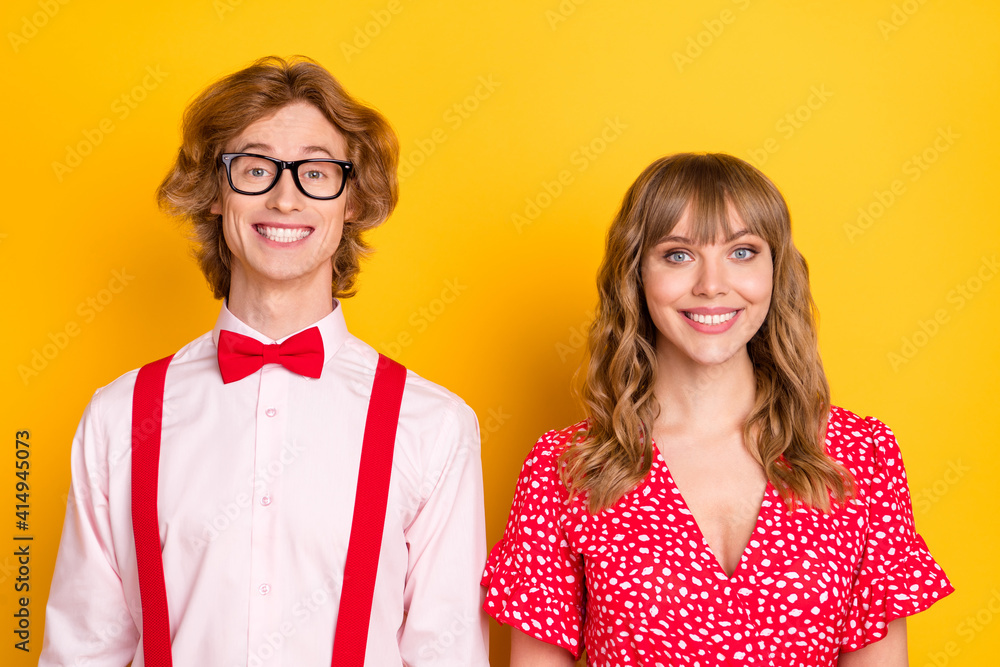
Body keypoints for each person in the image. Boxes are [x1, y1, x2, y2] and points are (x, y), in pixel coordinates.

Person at [40, 56, 489, 666]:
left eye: (315, 171)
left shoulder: (434, 426)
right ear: (216, 192)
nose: (284, 197)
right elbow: (80, 652)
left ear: (351, 199)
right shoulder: (119, 417)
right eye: (254, 169)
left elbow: (447, 654)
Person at [481, 153, 953, 666]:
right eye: (678, 255)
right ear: (635, 275)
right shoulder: (567, 469)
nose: (711, 284)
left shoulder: (862, 457)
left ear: (776, 273)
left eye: (742, 252)